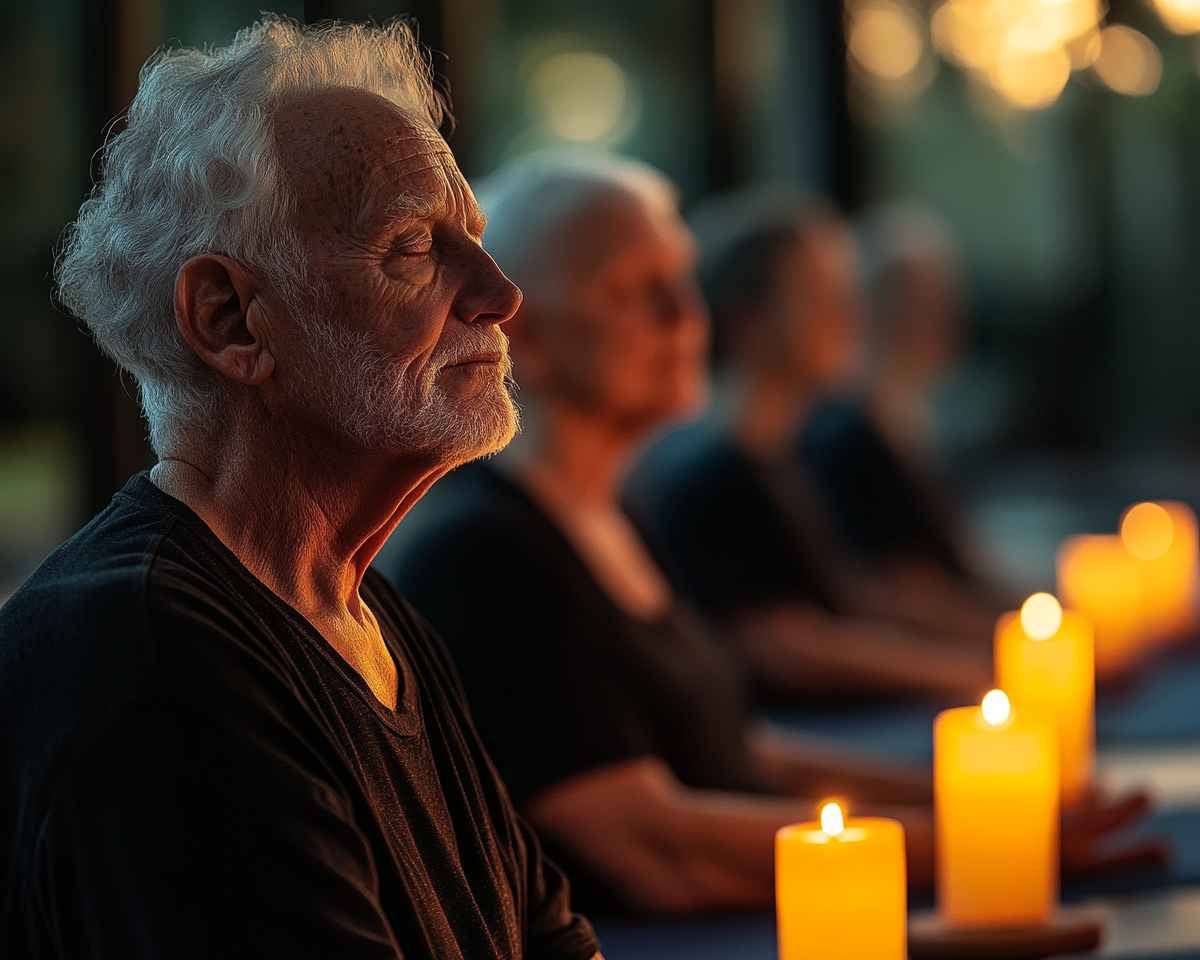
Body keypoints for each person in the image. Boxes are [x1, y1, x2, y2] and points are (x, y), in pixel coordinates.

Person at [382, 155, 1159, 917]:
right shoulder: (486, 556)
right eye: (633, 291)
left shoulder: (613, 520)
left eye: (681, 280)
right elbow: (655, 848)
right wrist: (984, 843)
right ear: (531, 336)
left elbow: (734, 754)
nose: (685, 316)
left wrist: (993, 800)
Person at [0, 18, 599, 960]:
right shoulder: (152, 664)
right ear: (230, 319)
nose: (498, 291)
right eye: (412, 245)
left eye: (472, 238)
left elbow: (552, 940)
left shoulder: (366, 618)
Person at [626, 190, 994, 702]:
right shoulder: (710, 473)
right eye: (817, 296)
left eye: (844, 293)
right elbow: (779, 645)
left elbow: (853, 600)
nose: (846, 316)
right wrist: (968, 671)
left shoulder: (783, 455)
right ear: (747, 321)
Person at [800, 200, 1007, 624]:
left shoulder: (905, 415)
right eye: (918, 298)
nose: (942, 315)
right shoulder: (846, 436)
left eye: (945, 295)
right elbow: (896, 586)